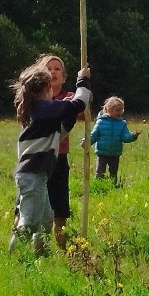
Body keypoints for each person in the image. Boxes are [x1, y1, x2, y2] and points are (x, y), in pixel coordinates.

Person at [9, 59, 91, 255]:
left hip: (37, 176)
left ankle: (42, 255)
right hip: (32, 177)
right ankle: (14, 257)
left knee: (46, 219)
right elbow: (78, 103)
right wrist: (83, 81)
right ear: (46, 89)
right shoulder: (44, 109)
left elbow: (59, 132)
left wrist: (69, 113)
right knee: (30, 221)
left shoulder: (41, 112)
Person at [44, 54, 86, 248]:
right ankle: (25, 247)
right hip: (36, 158)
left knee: (60, 207)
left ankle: (63, 248)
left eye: (57, 69)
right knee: (28, 205)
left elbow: (80, 110)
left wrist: (84, 84)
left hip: (58, 158)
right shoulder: (34, 97)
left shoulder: (69, 97)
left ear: (63, 76)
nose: (52, 72)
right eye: (48, 68)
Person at [89, 96, 141, 182]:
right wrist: (86, 142)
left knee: (113, 172)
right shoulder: (100, 122)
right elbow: (93, 135)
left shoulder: (122, 124)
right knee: (100, 172)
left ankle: (113, 185)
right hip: (102, 152)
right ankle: (98, 185)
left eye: (121, 110)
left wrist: (133, 136)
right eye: (117, 110)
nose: (120, 112)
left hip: (115, 153)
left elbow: (125, 137)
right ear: (109, 109)